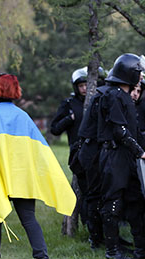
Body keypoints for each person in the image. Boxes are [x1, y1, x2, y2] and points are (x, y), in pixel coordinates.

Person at [0, 74, 76, 259]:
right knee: (29, 219)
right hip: (22, 178)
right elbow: (39, 150)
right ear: (16, 91)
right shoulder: (23, 117)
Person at [96, 53, 145, 259]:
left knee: (135, 201)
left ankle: (141, 249)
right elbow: (120, 131)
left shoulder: (126, 97)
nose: (141, 77)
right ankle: (112, 251)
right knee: (112, 203)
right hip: (114, 155)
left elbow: (134, 130)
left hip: (127, 156)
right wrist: (141, 152)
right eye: (139, 73)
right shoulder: (112, 95)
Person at [50, 67, 96, 243]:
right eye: (82, 85)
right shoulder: (69, 103)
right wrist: (68, 119)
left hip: (94, 152)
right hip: (77, 153)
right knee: (79, 191)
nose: (84, 89)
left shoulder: (96, 100)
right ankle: (72, 228)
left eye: (87, 85)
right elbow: (55, 129)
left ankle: (91, 227)